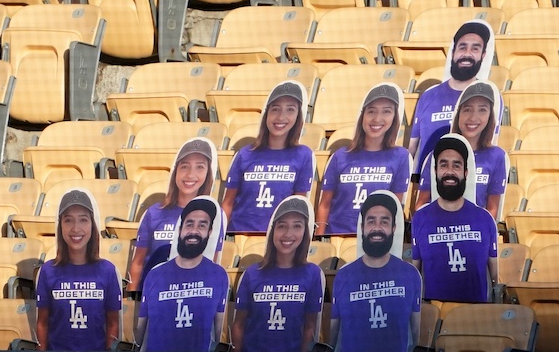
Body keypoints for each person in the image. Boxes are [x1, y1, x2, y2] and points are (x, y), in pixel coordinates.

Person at [330, 190, 422, 352]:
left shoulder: (410, 274)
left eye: (384, 222)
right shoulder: (343, 276)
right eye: (371, 221)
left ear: (394, 228)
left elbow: (417, 335)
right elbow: (332, 338)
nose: (377, 228)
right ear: (362, 227)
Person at [315, 82, 411, 235]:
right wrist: (319, 239)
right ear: (362, 116)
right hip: (337, 236)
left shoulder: (400, 157)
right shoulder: (340, 156)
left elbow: (395, 208)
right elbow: (325, 204)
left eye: (386, 111)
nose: (377, 118)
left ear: (394, 117)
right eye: (371, 111)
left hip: (376, 240)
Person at [136, 196, 229, 352]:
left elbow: (219, 332)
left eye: (202, 225)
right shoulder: (155, 274)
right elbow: (141, 332)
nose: (194, 231)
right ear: (180, 229)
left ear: (210, 232)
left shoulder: (218, 275)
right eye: (189, 224)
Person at [231, 196, 323, 352]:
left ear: (305, 232)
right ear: (273, 231)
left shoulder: (313, 274)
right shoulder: (252, 273)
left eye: (297, 226)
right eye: (282, 226)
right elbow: (239, 325)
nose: (288, 233)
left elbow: (309, 328)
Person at [412, 135, 498, 303]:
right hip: (436, 319)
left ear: (466, 173)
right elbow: (416, 275)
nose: (449, 172)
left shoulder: (484, 218)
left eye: (456, 165)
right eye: (444, 165)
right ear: (435, 171)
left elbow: (495, 279)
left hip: (475, 317)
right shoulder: (420, 219)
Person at [36, 189, 122, 351]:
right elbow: (42, 323)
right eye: (68, 220)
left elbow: (113, 324)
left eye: (83, 220)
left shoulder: (108, 271)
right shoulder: (48, 271)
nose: (76, 228)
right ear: (60, 225)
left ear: (92, 225)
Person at [127, 137, 217, 292]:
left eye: (199, 167)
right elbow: (138, 263)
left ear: (208, 173)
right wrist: (132, 299)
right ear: (175, 171)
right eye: (184, 167)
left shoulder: (214, 217)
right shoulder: (154, 213)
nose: (190, 174)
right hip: (154, 294)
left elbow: (212, 265)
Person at [223, 81, 314, 233]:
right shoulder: (245, 154)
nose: (280, 117)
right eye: (275, 109)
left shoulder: (303, 155)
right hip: (238, 233)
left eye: (290, 110)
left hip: (278, 238)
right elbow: (228, 203)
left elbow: (298, 207)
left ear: (299, 116)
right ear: (266, 114)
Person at [408, 20, 494, 174]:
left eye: (475, 48)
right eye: (462, 47)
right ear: (453, 52)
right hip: (426, 185)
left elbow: (490, 145)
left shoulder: (488, 96)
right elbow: (413, 148)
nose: (467, 54)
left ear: (483, 55)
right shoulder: (429, 95)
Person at [415, 81, 508, 219]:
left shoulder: (497, 156)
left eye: (482, 110)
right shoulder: (437, 154)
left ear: (490, 116)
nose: (473, 117)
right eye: (467, 109)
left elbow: (492, 210)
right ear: (458, 115)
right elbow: (421, 205)